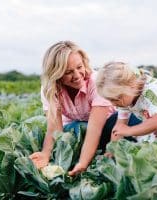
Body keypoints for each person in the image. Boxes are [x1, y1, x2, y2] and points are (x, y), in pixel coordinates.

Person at [29, 41, 141, 176]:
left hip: (107, 128)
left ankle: (112, 155)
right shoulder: (50, 90)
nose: (77, 75)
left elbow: (95, 129)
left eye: (79, 67)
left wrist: (82, 163)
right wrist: (45, 154)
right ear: (56, 74)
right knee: (76, 128)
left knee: (128, 122)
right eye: (68, 72)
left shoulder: (96, 82)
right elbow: (54, 129)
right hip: (78, 130)